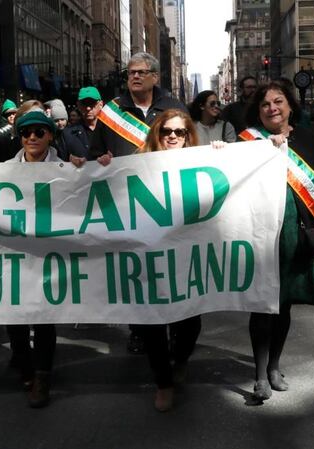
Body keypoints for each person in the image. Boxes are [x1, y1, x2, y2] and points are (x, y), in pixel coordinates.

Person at [238, 81, 314, 402]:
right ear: (259, 111)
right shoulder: (246, 142)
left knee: (285, 304)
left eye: (278, 101)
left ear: (290, 106)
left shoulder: (306, 138)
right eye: (265, 104)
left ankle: (275, 367)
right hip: (261, 237)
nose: (272, 108)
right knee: (263, 305)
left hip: (298, 235)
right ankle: (259, 374)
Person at [89, 51, 187, 355]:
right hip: (127, 205)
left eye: (142, 72)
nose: (134, 76)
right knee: (136, 270)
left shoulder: (173, 107)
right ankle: (137, 329)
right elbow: (96, 152)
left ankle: (173, 326)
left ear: (155, 76)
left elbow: (193, 147)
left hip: (168, 204)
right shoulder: (112, 111)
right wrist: (100, 159)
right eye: (130, 72)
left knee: (169, 269)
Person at [132, 109, 210, 412]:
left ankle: (181, 358)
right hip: (149, 256)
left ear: (189, 135)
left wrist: (220, 154)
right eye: (167, 131)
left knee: (190, 321)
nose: (173, 136)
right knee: (153, 324)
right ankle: (163, 382)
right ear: (158, 134)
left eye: (180, 131)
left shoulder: (205, 160)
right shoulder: (138, 161)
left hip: (187, 257)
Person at [5, 108, 65, 408]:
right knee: (14, 316)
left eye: (39, 132)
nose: (31, 137)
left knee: (43, 317)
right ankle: (25, 367)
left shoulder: (67, 169)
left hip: (49, 255)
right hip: (15, 256)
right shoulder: (2, 171)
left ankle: (42, 376)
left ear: (50, 135)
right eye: (26, 133)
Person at [58, 86, 102, 163]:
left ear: (100, 104)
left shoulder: (110, 131)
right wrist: (70, 160)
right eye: (84, 103)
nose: (88, 108)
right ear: (78, 105)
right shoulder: (67, 134)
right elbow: (60, 163)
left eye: (92, 103)